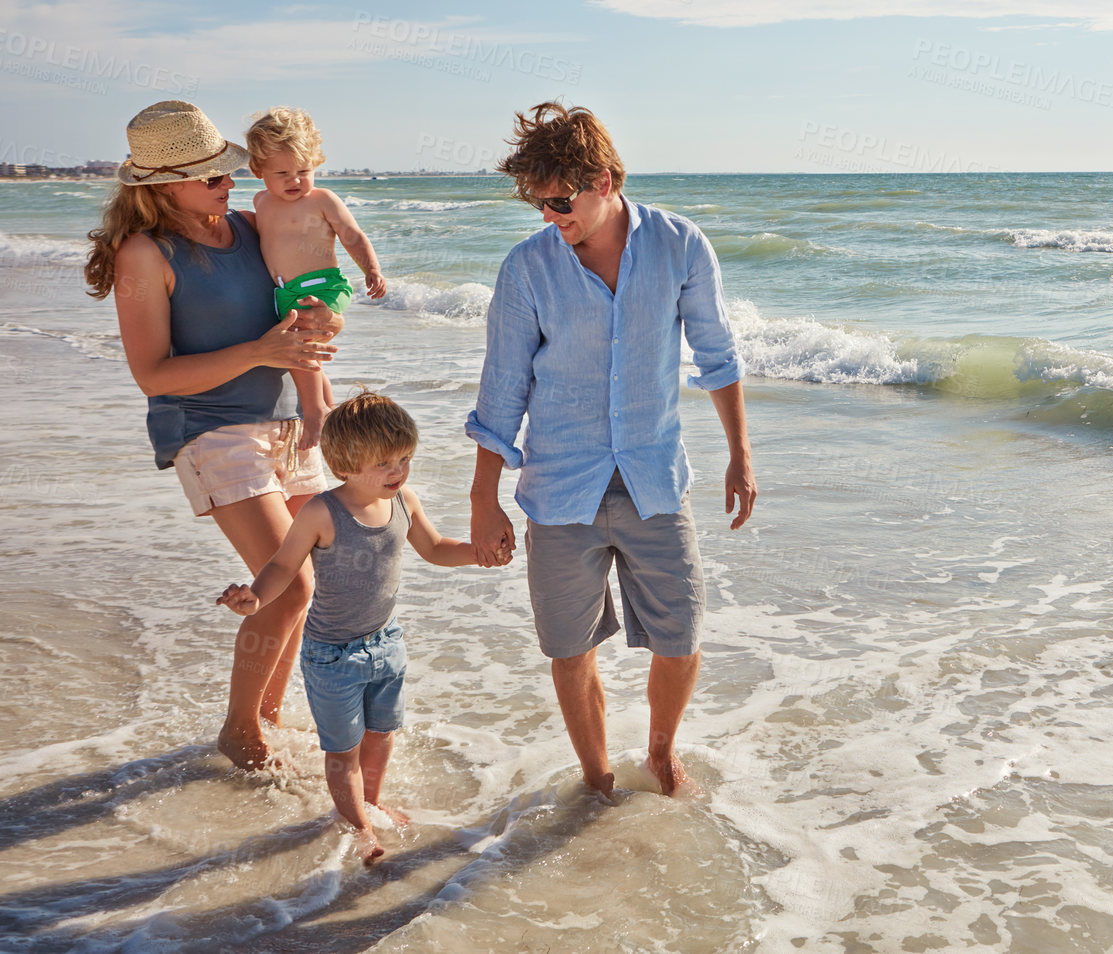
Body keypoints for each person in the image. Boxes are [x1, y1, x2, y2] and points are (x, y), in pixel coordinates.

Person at [466, 101, 756, 797]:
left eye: (560, 202)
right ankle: (597, 779)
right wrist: (482, 497)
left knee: (681, 636)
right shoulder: (527, 269)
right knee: (569, 649)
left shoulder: (681, 245)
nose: (549, 217)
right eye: (538, 204)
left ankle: (660, 751)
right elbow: (502, 388)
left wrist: (740, 453)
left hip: (655, 478)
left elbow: (717, 354)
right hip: (559, 487)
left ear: (604, 180)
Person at [84, 99, 341, 770]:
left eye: (228, 174)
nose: (230, 186)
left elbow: (306, 300)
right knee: (291, 586)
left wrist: (322, 326)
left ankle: (267, 720)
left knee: (301, 586)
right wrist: (259, 352)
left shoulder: (252, 228)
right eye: (212, 179)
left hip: (285, 422)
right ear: (162, 187)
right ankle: (239, 731)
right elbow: (153, 374)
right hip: (207, 428)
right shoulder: (144, 253)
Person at [216, 391, 476, 865]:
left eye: (404, 458)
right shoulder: (321, 512)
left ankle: (371, 804)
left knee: (382, 736)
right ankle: (357, 827)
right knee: (344, 753)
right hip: (333, 656)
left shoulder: (404, 502)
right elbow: (282, 568)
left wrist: (477, 552)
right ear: (347, 464)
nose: (397, 471)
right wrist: (254, 597)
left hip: (387, 644)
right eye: (384, 463)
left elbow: (436, 548)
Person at [245, 107, 387, 449]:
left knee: (299, 343)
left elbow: (352, 235)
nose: (295, 181)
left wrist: (371, 269)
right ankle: (327, 406)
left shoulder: (321, 199)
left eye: (304, 171)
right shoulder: (261, 201)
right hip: (285, 292)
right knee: (304, 352)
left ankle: (315, 412)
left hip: (323, 285)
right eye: (283, 173)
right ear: (258, 170)